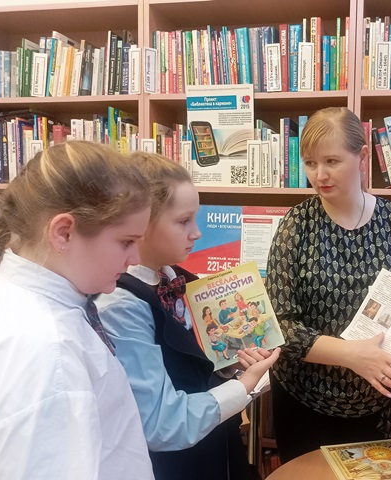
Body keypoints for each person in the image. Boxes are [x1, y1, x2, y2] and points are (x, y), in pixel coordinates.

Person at [95, 152, 279, 480]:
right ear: (141, 223)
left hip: (215, 449)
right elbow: (161, 423)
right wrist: (245, 385)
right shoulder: (122, 304)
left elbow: (195, 365)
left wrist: (229, 367)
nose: (197, 233)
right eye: (184, 221)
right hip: (172, 464)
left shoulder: (183, 282)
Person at [266, 107, 391, 463]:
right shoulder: (296, 224)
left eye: (332, 161)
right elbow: (279, 325)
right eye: (310, 163)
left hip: (376, 397)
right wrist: (351, 356)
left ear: (362, 157)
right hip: (305, 398)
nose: (319, 175)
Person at [0, 141, 154, 478]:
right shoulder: (50, 351)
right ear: (63, 233)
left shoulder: (15, 297)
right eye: (126, 241)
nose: (135, 258)